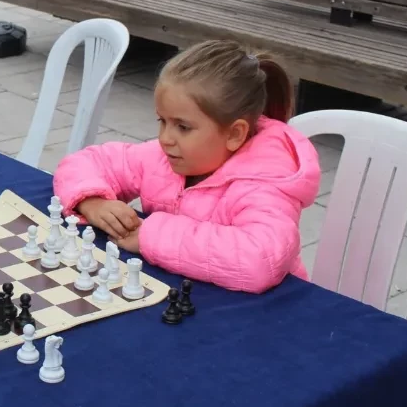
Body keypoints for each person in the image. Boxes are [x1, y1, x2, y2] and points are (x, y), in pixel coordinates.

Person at [53, 40, 321, 294]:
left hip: (267, 317)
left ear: (234, 134)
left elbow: (260, 260)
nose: (165, 138)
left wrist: (151, 236)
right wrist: (92, 201)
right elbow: (85, 163)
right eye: (162, 121)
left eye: (182, 127)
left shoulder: (265, 184)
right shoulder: (162, 158)